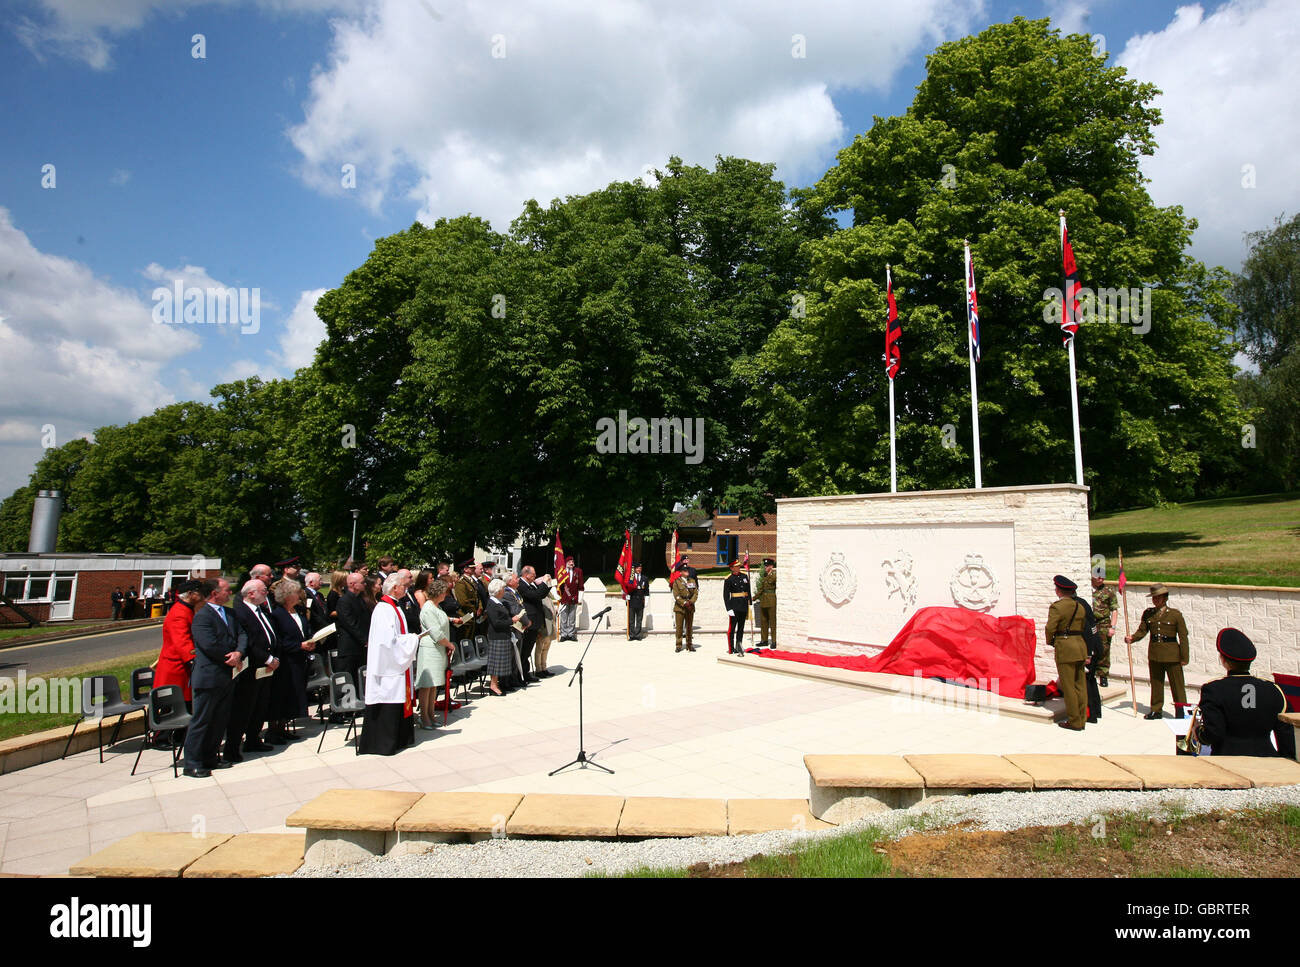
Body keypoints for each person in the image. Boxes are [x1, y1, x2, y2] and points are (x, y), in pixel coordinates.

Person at [1198, 628, 1296, 758]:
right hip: (1268, 761)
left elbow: (1213, 734)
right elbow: (1287, 734)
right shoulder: (1274, 690)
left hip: (1227, 761)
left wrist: (1198, 731)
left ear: (1223, 660)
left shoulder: (1214, 689)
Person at [182, 578, 246, 777]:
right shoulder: (202, 617)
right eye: (227, 590)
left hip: (227, 675)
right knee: (202, 720)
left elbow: (242, 634)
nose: (230, 593)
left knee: (219, 720)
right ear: (214, 593)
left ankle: (211, 756)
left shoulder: (230, 613)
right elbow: (208, 644)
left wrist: (239, 653)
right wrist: (230, 656)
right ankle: (192, 762)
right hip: (209, 676)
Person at [359, 571, 419, 755]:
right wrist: (411, 640)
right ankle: (384, 743)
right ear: (394, 588)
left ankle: (401, 738)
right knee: (389, 698)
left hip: (397, 664)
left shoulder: (395, 606)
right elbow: (387, 642)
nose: (406, 588)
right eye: (403, 585)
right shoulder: (384, 609)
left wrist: (409, 639)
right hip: (387, 666)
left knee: (400, 697)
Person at [228, 579, 281, 758]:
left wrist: (274, 657)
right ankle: (233, 747)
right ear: (251, 593)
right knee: (244, 708)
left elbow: (270, 634)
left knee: (260, 705)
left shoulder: (262, 610)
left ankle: (253, 739)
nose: (267, 593)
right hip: (252, 667)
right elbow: (249, 641)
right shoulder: (241, 613)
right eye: (263, 590)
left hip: (267, 666)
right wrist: (267, 658)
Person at [1125, 582, 1190, 719]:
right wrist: (1132, 638)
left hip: (1172, 655)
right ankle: (1156, 709)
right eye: (1154, 598)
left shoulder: (1175, 615)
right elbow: (1142, 631)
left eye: (1158, 598)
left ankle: (1181, 710)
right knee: (1156, 683)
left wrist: (1184, 657)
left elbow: (1183, 637)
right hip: (1155, 653)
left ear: (1165, 598)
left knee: (1177, 685)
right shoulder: (1149, 614)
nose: (1156, 600)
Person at [267, 578, 316, 742]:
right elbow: (279, 639)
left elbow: (304, 630)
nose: (299, 595)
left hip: (300, 659)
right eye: (296, 593)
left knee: (294, 693)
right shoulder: (277, 614)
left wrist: (309, 641)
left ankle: (284, 727)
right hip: (287, 661)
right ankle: (274, 730)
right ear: (287, 596)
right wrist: (299, 645)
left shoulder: (298, 611)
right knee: (283, 694)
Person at [1045, 574, 1088, 731]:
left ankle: (1074, 720)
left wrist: (1051, 641)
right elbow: (1083, 625)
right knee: (1080, 685)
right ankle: (1082, 717)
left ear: (1059, 590)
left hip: (1065, 646)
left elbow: (1050, 628)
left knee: (1068, 686)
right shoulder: (1080, 606)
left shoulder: (1057, 607)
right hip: (1080, 645)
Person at [416, 579, 457, 730]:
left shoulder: (437, 607)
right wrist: (449, 644)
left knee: (434, 685)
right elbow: (435, 632)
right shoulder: (427, 608)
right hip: (430, 649)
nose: (446, 595)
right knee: (427, 684)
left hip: (438, 649)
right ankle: (424, 717)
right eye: (445, 592)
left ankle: (431, 714)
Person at [155, 580, 202, 706]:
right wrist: (195, 660)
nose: (202, 594)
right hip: (176, 670)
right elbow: (183, 643)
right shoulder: (179, 614)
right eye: (199, 591)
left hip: (182, 670)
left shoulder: (187, 609)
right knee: (176, 709)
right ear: (191, 594)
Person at [333, 570, 370, 698]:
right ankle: (344, 707)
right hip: (350, 646)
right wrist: (364, 640)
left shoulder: (359, 599)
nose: (365, 584)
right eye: (362, 582)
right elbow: (350, 624)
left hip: (360, 646)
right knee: (348, 676)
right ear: (353, 584)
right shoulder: (344, 601)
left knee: (359, 676)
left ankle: (358, 700)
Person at [483, 578, 519, 696]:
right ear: (498, 590)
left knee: (501, 662)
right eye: (503, 589)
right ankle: (493, 685)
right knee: (496, 662)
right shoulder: (492, 603)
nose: (504, 591)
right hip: (497, 636)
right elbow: (496, 622)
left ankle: (497, 684)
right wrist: (511, 621)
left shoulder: (498, 602)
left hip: (503, 635)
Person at [518, 566, 551, 675]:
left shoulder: (530, 584)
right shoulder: (522, 585)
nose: (535, 576)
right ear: (526, 574)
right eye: (533, 574)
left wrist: (547, 585)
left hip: (535, 621)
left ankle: (525, 672)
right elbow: (536, 595)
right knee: (525, 650)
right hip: (529, 621)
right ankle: (523, 673)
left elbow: (541, 594)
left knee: (528, 650)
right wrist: (544, 583)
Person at [1090, 574, 1118, 687]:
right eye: (1098, 577)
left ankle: (1103, 675)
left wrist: (1112, 627)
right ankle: (1091, 673)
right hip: (1090, 623)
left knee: (1104, 650)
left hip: (1103, 623)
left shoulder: (1108, 591)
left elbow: (1114, 610)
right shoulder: (1087, 588)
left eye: (1103, 577)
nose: (1101, 579)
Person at [723, 558, 752, 656]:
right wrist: (729, 608)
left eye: (739, 566)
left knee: (741, 628)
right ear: (731, 568)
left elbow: (748, 591)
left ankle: (739, 646)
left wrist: (750, 604)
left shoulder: (744, 576)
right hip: (734, 606)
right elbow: (726, 596)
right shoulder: (728, 579)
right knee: (732, 628)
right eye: (736, 566)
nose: (738, 567)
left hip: (743, 605)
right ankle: (731, 649)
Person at [557, 554, 583, 641]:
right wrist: (558, 596)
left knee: (572, 617)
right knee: (564, 617)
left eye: (572, 561)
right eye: (569, 562)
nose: (571, 563)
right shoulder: (562, 572)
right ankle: (563, 635)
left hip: (574, 597)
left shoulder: (578, 571)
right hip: (564, 597)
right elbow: (558, 584)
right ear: (566, 563)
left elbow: (581, 585)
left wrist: (580, 598)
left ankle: (571, 634)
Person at [672, 567, 698, 653]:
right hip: (680, 608)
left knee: (689, 627)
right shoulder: (677, 582)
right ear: (681, 572)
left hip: (690, 607)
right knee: (679, 627)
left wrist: (691, 602)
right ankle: (678, 645)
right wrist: (684, 603)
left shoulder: (692, 581)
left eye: (687, 571)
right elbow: (676, 595)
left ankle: (689, 644)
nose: (687, 572)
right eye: (685, 571)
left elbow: (695, 593)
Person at [756, 559, 777, 648]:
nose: (765, 567)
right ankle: (764, 640)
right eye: (765, 566)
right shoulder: (765, 575)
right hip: (764, 600)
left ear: (771, 566)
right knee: (763, 621)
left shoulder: (774, 576)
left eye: (767, 566)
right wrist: (753, 598)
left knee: (772, 622)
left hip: (771, 600)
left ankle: (774, 641)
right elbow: (761, 589)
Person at [626, 563, 648, 640]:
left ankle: (638, 635)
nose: (639, 569)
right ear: (634, 569)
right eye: (637, 568)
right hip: (632, 601)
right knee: (631, 619)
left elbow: (646, 591)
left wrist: (646, 601)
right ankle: (632, 635)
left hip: (640, 602)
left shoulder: (644, 578)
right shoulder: (630, 578)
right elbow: (626, 588)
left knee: (639, 619)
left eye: (640, 568)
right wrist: (626, 596)